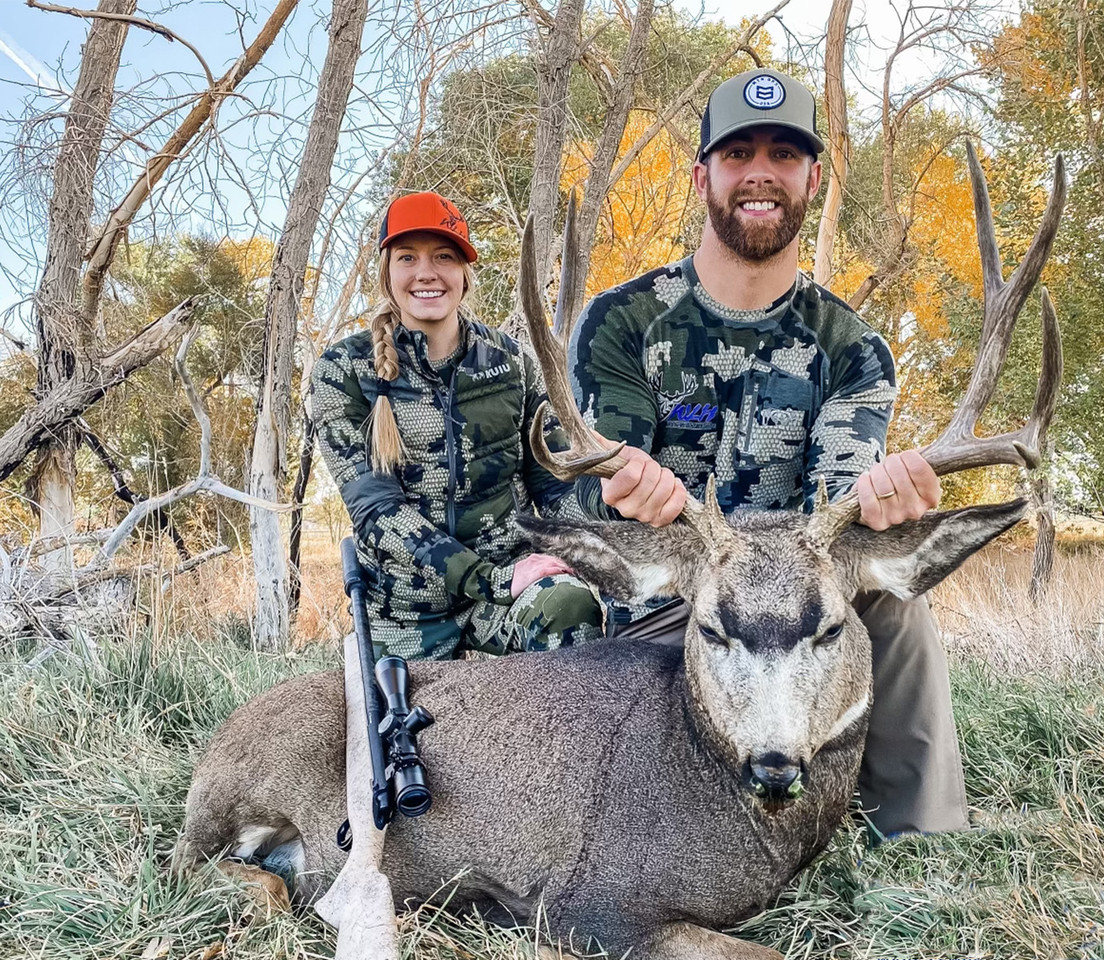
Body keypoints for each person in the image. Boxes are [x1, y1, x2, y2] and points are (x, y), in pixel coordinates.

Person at [568, 69, 965, 838]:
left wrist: (887, 501)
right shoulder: (624, 323)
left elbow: (840, 507)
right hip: (675, 594)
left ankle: (920, 840)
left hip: (798, 593)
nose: (760, 173)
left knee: (896, 602)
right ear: (702, 177)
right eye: (737, 153)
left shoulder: (852, 348)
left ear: (811, 179)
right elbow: (585, 490)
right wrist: (620, 491)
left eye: (783, 156)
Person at [312, 191, 604, 660]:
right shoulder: (343, 370)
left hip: (508, 591)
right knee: (389, 731)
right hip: (407, 612)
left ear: (465, 275)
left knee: (568, 607)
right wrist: (486, 580)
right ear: (387, 272)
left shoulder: (511, 362)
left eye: (443, 256)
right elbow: (376, 512)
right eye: (408, 257)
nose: (426, 272)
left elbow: (553, 485)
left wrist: (613, 501)